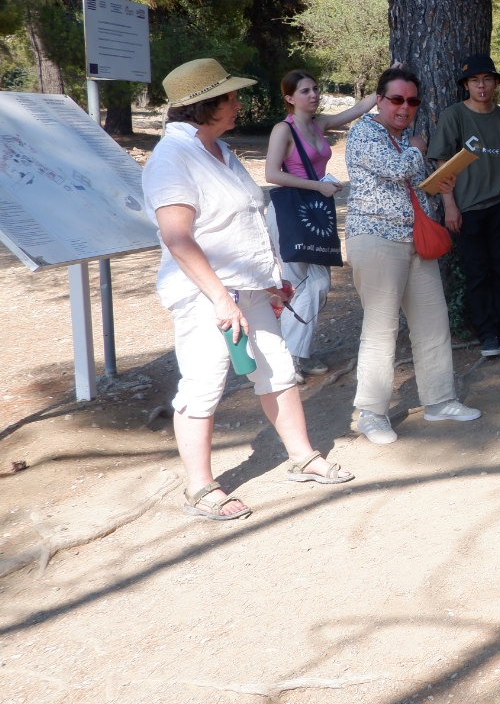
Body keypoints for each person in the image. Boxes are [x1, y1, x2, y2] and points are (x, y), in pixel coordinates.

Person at [142, 58, 355, 520]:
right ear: (205, 105)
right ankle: (199, 488)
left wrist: (271, 278)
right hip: (207, 296)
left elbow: (245, 222)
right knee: (203, 383)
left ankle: (302, 457)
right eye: (231, 96)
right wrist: (221, 298)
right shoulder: (173, 157)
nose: (239, 103)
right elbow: (178, 237)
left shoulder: (219, 149)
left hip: (250, 288)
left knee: (278, 369)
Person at [344, 68, 481, 445]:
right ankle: (371, 413)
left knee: (433, 323)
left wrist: (440, 186)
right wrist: (418, 149)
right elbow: (395, 169)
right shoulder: (364, 132)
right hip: (376, 238)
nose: (406, 107)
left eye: (413, 101)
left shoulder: (403, 139)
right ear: (379, 100)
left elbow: (409, 186)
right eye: (397, 100)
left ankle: (439, 400)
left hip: (414, 240)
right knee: (381, 329)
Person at [262, 70, 374, 374]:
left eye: (315, 89)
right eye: (305, 91)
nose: (313, 95)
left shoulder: (319, 124)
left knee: (320, 284)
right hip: (289, 213)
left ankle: (294, 353)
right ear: (289, 98)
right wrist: (318, 186)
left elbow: (359, 109)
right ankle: (291, 360)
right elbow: (271, 174)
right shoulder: (283, 130)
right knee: (298, 285)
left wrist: (392, 79)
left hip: (313, 214)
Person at [432, 54, 500, 359]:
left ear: (496, 83)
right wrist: (450, 205)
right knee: (477, 272)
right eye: (475, 80)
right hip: (467, 208)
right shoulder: (454, 116)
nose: (482, 85)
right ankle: (487, 335)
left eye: (487, 79)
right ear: (466, 85)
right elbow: (441, 164)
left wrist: (492, 175)